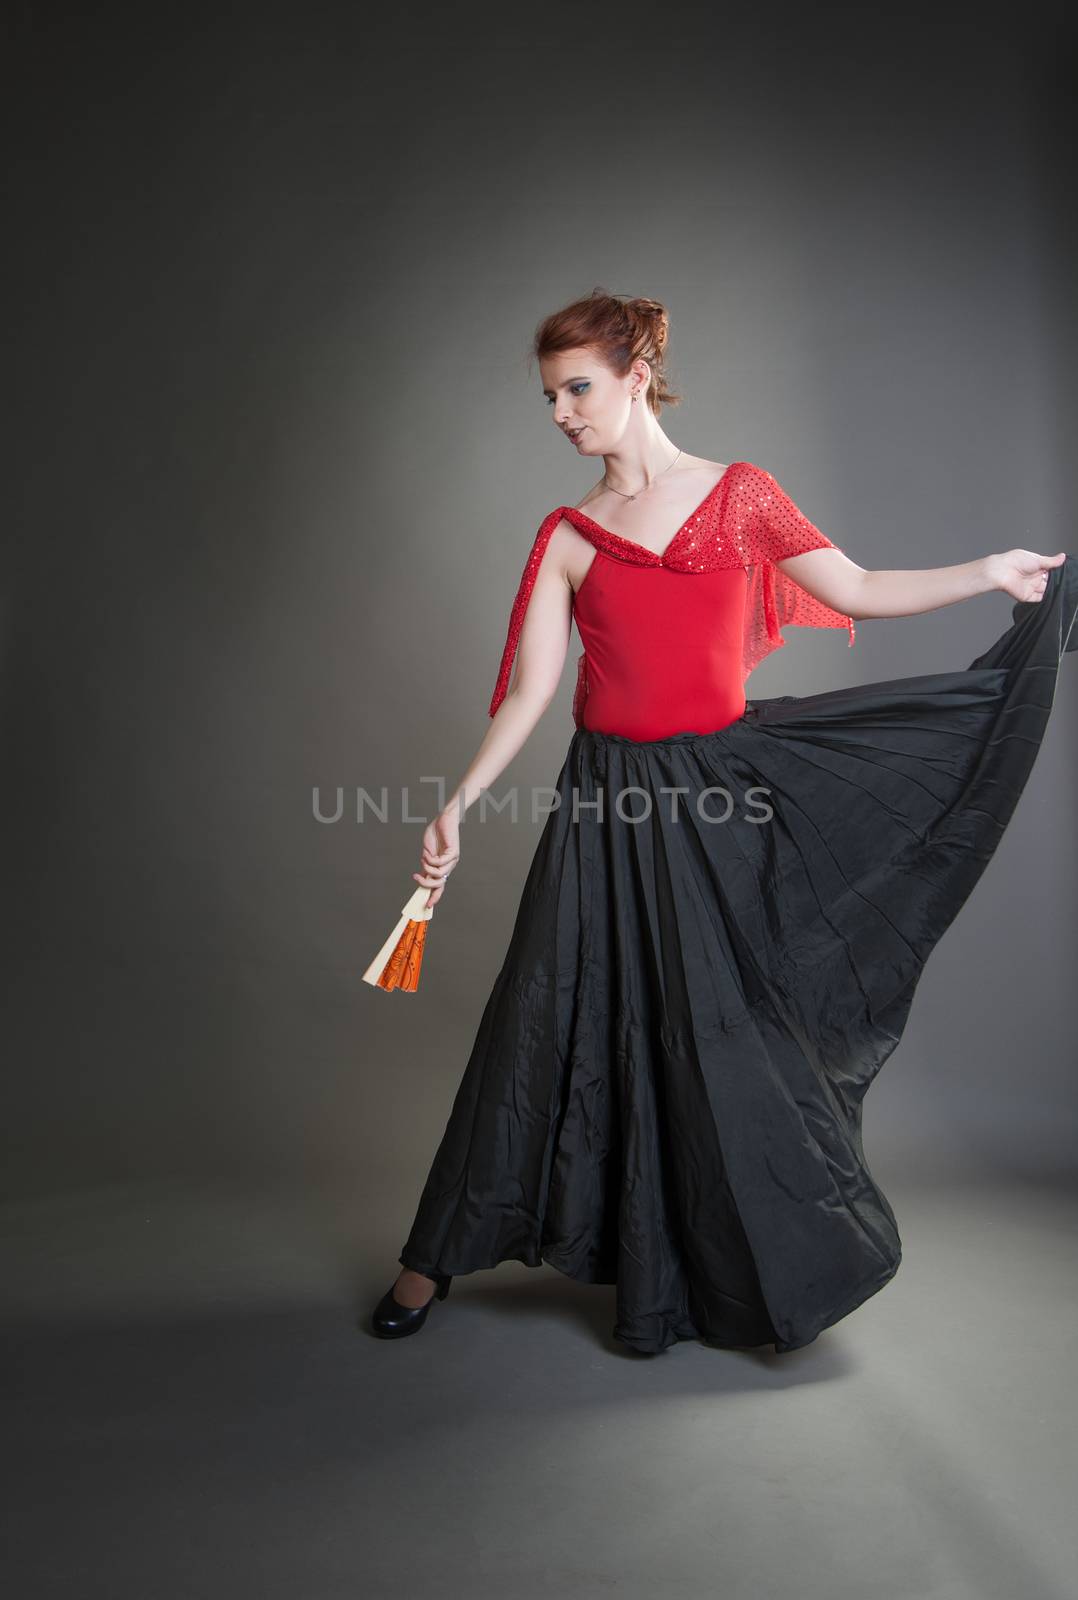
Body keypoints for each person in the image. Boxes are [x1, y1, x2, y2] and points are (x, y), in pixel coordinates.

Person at [370, 288, 1074, 1354]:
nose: (562, 413)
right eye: (550, 397)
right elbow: (528, 693)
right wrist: (457, 804)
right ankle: (430, 1261)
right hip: (602, 805)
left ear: (634, 377)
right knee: (544, 1018)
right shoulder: (569, 534)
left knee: (716, 1032)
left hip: (716, 804)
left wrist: (990, 572)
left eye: (578, 388)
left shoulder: (740, 496)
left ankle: (711, 1265)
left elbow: (861, 585)